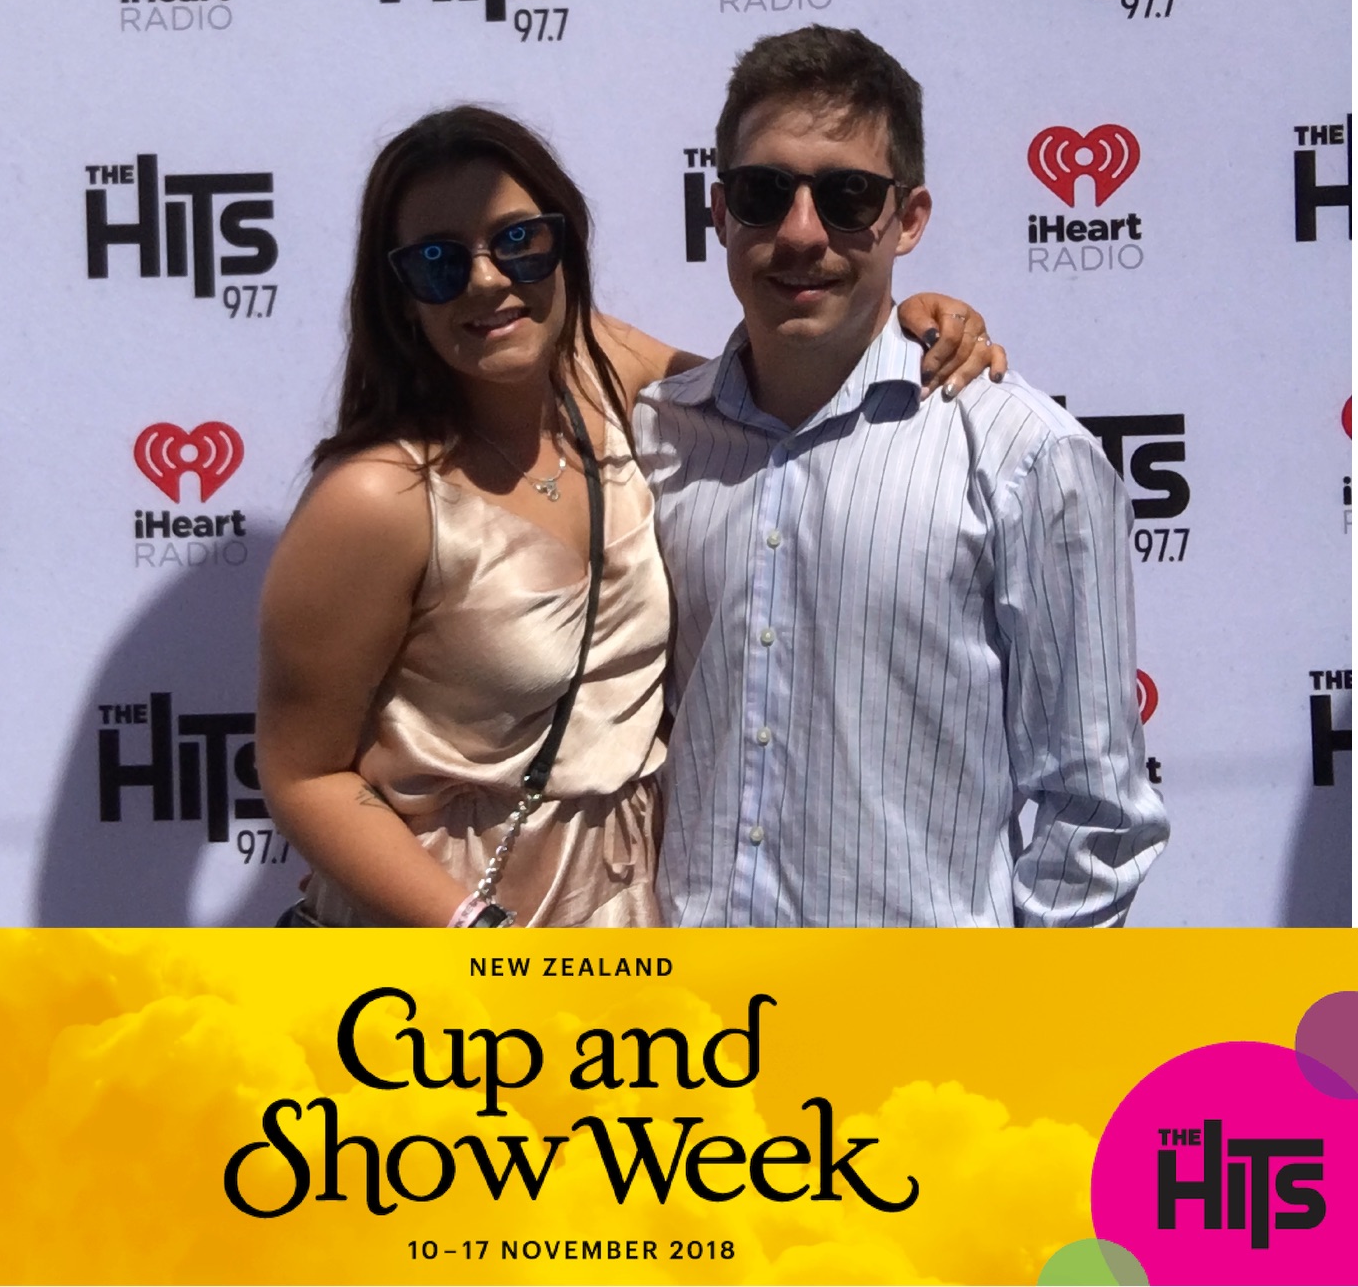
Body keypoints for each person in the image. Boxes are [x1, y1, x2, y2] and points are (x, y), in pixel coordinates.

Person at [254, 105, 1002, 927]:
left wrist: (906, 320)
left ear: (566, 244)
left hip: (630, 911)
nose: (488, 281)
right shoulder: (374, 500)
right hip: (447, 937)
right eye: (437, 261)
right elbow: (303, 777)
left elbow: (781, 391)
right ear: (399, 296)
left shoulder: (608, 373)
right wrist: (478, 938)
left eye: (519, 241)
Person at [634, 25, 1170, 927]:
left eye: (847, 196)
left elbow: (1098, 816)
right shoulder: (654, 442)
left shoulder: (1024, 455)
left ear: (908, 218)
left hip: (924, 1008)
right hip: (701, 1005)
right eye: (765, 193)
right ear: (720, 212)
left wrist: (1009, 1009)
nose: (802, 232)